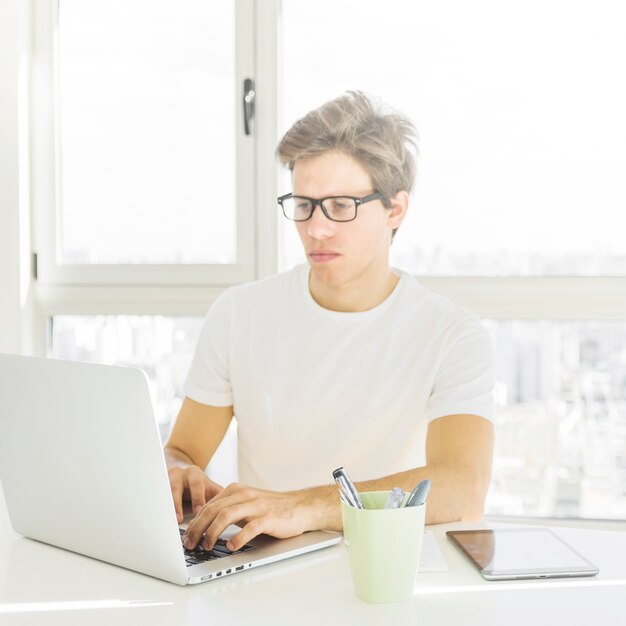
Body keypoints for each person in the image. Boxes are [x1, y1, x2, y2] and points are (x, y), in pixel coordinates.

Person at [165, 91, 495, 553]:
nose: (316, 229)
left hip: (380, 570)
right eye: (303, 204)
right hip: (255, 568)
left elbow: (463, 488)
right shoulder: (240, 313)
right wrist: (176, 469)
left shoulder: (452, 335)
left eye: (341, 206)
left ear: (395, 209)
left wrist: (299, 507)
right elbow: (182, 451)